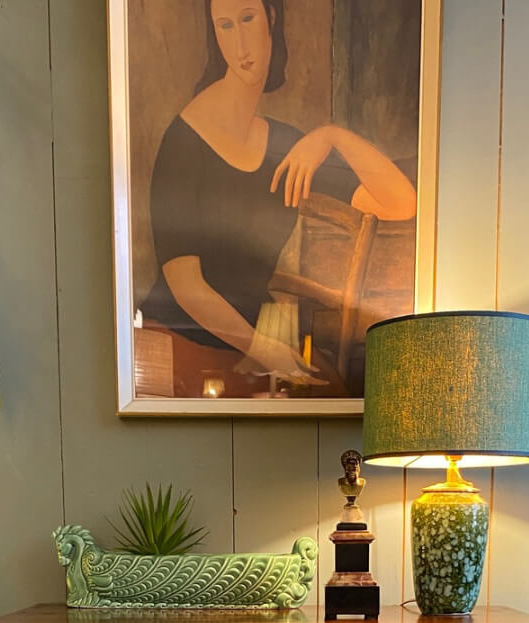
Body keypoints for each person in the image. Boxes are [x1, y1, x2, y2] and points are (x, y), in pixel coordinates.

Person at [139, 0, 417, 393]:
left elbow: (401, 203)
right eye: (225, 26)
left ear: (271, 18)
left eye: (248, 19)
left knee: (333, 400)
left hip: (260, 342)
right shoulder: (186, 137)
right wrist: (264, 350)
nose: (240, 45)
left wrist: (331, 135)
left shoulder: (287, 147)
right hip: (182, 339)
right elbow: (185, 285)